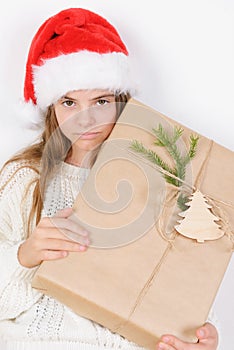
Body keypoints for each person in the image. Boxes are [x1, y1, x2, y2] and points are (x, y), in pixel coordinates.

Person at [0, 7, 219, 350]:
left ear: (121, 101)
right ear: (50, 108)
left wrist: (201, 334)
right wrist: (26, 255)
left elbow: (185, 277)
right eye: (69, 102)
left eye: (101, 100)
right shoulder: (24, 179)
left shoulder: (158, 178)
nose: (86, 119)